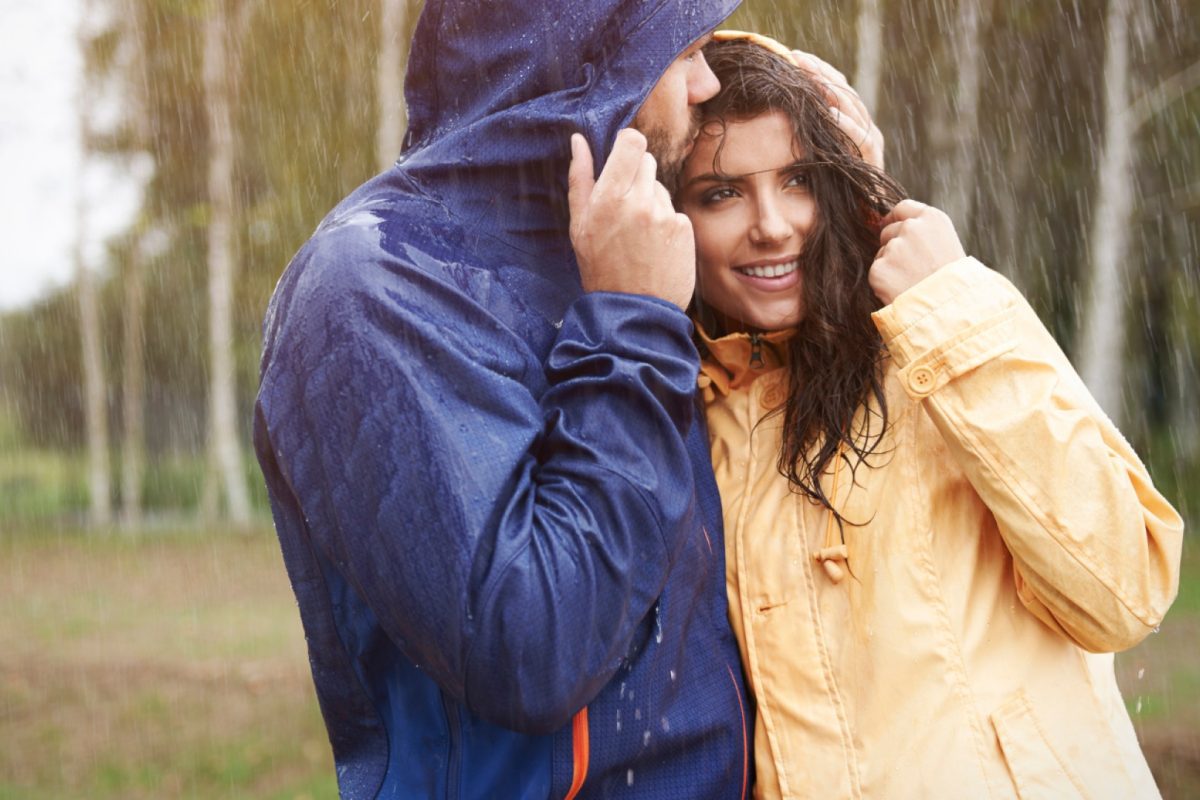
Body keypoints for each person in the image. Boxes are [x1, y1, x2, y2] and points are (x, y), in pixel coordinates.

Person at [254, 1, 890, 795]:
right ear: (589, 61)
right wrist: (634, 326)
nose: (707, 83)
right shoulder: (375, 286)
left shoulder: (624, 241)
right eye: (684, 51)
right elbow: (532, 650)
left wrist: (855, 197)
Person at [667, 32, 1185, 799]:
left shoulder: (942, 334)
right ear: (671, 214)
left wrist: (945, 313)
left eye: (800, 180)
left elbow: (1123, 590)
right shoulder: (682, 417)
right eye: (722, 193)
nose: (772, 224)